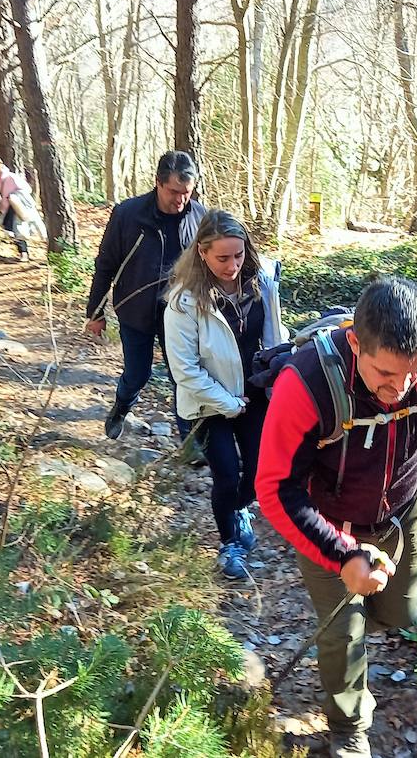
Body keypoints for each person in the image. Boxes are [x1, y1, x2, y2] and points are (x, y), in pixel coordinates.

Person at [256, 277, 417, 758]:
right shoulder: (306, 383)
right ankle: (349, 730)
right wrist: (342, 556)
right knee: (344, 635)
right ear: (356, 343)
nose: (400, 389)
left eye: (413, 373)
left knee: (396, 613)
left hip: (402, 515)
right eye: (384, 373)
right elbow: (277, 488)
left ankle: (357, 632)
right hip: (329, 523)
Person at [163, 210, 287, 578]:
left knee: (259, 472)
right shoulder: (183, 302)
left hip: (255, 395)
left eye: (239, 255)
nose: (233, 265)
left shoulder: (261, 283)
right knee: (227, 475)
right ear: (202, 253)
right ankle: (230, 541)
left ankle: (241, 508)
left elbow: (275, 339)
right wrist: (228, 403)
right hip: (207, 403)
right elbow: (184, 369)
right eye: (222, 258)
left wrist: (278, 380)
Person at [85, 151, 205, 440]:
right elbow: (106, 264)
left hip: (179, 315)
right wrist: (95, 312)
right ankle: (121, 407)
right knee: (138, 374)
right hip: (134, 311)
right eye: (174, 192)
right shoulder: (128, 214)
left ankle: (189, 439)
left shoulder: (200, 217)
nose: (180, 200)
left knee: (183, 377)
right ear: (158, 184)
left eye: (186, 193)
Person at [0, 156, 46, 263]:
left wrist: (15, 197)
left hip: (20, 206)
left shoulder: (11, 177)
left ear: (0, 165)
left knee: (29, 227)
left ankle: (42, 250)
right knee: (16, 230)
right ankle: (23, 253)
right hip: (8, 208)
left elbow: (26, 189)